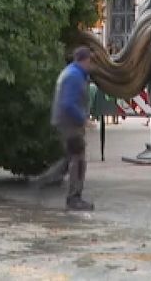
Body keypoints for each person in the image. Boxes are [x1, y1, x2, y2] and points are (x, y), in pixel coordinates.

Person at [48, 47, 94, 211]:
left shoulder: (72, 73)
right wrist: (83, 119)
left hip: (65, 122)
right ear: (85, 60)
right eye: (90, 61)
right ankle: (74, 198)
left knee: (71, 158)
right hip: (70, 124)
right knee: (78, 160)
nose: (91, 64)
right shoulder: (74, 76)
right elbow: (68, 103)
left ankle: (46, 181)